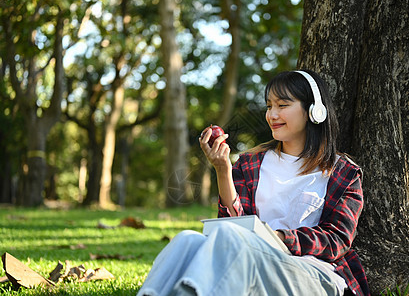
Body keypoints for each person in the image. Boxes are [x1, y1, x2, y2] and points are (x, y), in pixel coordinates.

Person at [137, 70, 370, 296]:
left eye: (282, 105)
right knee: (186, 240)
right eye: (269, 106)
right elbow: (231, 222)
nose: (272, 115)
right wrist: (222, 169)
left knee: (237, 242)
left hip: (312, 272)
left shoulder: (344, 173)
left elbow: (337, 240)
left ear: (314, 111)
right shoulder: (251, 162)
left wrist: (276, 238)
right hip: (250, 259)